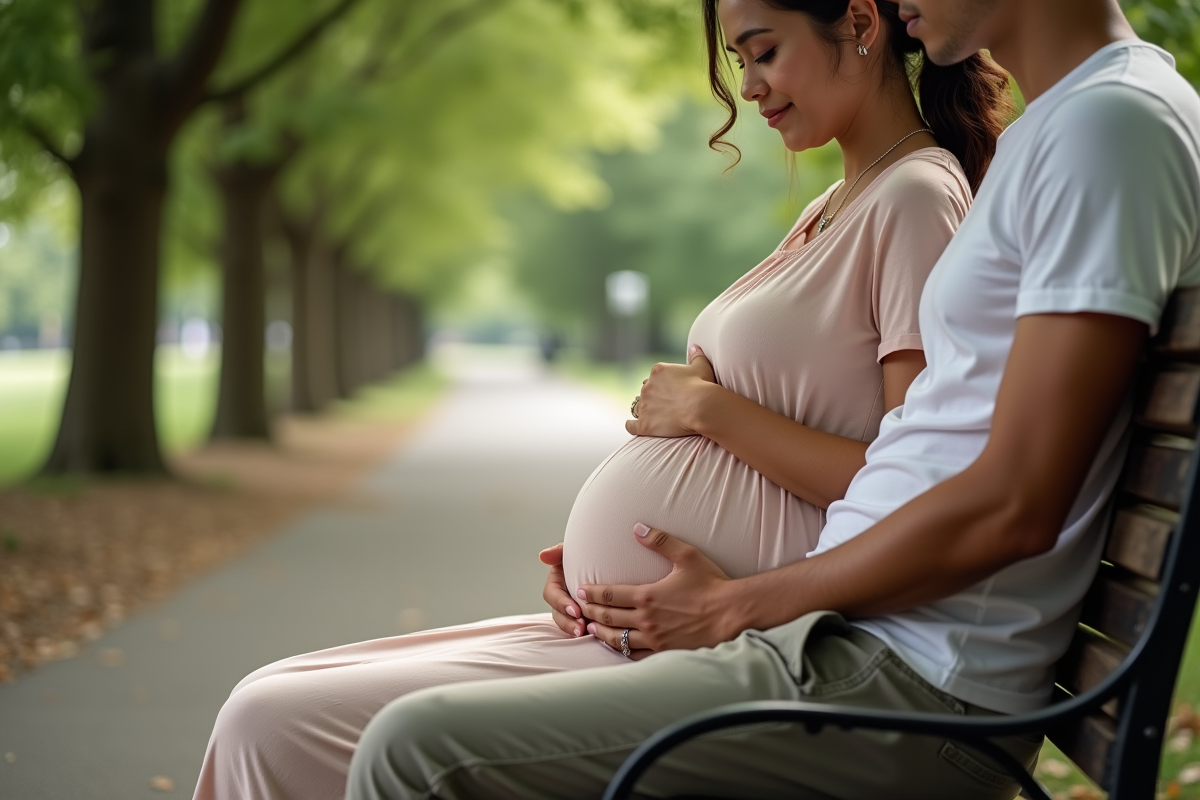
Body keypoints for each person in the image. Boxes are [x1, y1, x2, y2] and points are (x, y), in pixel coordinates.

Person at [342, 0, 1200, 798]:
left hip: (911, 680)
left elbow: (1016, 502)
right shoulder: (1061, 128)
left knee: (415, 750)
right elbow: (937, 445)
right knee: (337, 719)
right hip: (856, 642)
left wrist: (741, 604)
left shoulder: (1107, 127)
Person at [192, 0, 1011, 797]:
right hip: (641, 628)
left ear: (862, 25)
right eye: (739, 63)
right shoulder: (832, 208)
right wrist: (596, 567)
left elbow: (913, 485)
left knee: (291, 727)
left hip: (743, 638)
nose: (750, 87)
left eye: (765, 51)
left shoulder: (916, 200)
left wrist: (706, 412)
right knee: (264, 712)